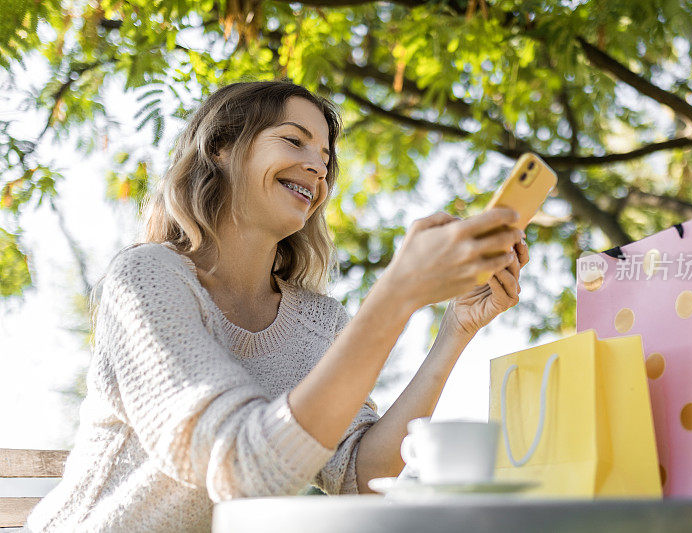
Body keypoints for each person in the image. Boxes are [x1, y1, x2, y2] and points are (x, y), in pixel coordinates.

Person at [24, 80, 528, 532]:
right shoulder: (148, 279)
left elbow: (361, 474)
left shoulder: (318, 321)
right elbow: (240, 468)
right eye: (293, 140)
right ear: (221, 147)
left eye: (326, 157)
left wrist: (455, 330)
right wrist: (396, 295)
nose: (317, 166)